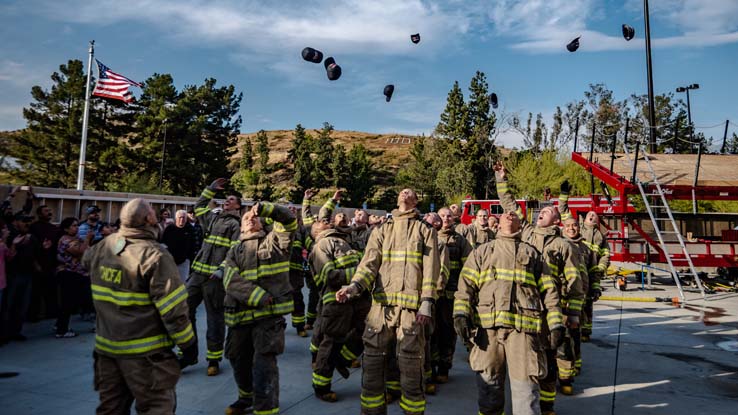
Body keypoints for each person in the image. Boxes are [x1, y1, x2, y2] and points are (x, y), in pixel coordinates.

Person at [82, 198, 196, 415]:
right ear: (148, 219)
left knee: (111, 408)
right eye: (152, 212)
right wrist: (188, 344)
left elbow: (85, 261)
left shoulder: (104, 246)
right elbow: (174, 310)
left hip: (107, 351)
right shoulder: (155, 255)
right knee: (157, 408)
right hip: (146, 357)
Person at [336, 188, 440, 415]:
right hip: (381, 308)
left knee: (411, 366)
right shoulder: (382, 230)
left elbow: (432, 271)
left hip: (411, 310)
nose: (405, 192)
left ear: (415, 201)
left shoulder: (425, 230)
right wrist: (353, 287)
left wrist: (427, 303)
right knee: (372, 364)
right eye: (402, 191)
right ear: (397, 200)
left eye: (410, 191)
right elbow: (369, 264)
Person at [494, 162, 584, 415]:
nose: (541, 213)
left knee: (551, 357)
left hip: (553, 309)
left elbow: (575, 281)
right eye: (541, 211)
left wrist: (573, 313)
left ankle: (546, 404)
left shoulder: (565, 246)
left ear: (556, 219)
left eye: (547, 211)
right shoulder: (528, 233)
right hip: (527, 307)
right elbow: (510, 207)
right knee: (532, 357)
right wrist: (502, 180)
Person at [454, 211, 563, 415]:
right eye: (504, 214)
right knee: (489, 389)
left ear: (520, 224)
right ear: (498, 224)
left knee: (526, 392)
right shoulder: (482, 252)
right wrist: (460, 314)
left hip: (523, 332)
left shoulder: (532, 254)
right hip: (488, 332)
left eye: (513, 214)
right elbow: (465, 287)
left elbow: (550, 291)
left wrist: (556, 323)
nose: (509, 215)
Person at [222, 201, 297, 415]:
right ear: (241, 228)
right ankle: (246, 397)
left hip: (268, 318)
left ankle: (266, 409)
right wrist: (258, 296)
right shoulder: (234, 250)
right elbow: (229, 278)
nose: (250, 219)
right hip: (239, 316)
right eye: (246, 219)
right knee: (237, 358)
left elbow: (289, 221)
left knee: (264, 363)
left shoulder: (275, 241)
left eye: (253, 217)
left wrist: (265, 208)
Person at [307, 190, 367, 402]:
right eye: (323, 222)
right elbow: (330, 276)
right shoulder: (322, 245)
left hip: (356, 298)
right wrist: (359, 274)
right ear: (316, 231)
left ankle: (343, 359)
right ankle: (321, 385)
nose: (327, 221)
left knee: (366, 331)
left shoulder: (343, 240)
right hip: (336, 301)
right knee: (331, 342)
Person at [186, 178, 242, 376]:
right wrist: (210, 190)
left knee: (214, 318)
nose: (227, 201)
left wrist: (222, 270)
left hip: (215, 278)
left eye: (232, 199)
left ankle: (213, 359)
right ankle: (187, 353)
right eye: (226, 198)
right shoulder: (213, 218)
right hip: (197, 273)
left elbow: (235, 252)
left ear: (238, 206)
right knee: (184, 309)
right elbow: (198, 206)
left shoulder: (237, 225)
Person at [558, 182, 608, 343]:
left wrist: (599, 273)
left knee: (587, 306)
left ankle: (585, 332)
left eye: (595, 216)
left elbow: (604, 257)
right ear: (584, 218)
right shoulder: (575, 226)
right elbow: (563, 210)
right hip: (570, 276)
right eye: (590, 215)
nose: (592, 216)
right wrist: (564, 194)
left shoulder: (601, 237)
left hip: (587, 275)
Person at [431, 207, 473, 385]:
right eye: (442, 216)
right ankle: (430, 366)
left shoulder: (461, 241)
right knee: (430, 332)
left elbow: (468, 269)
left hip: (450, 295)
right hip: (431, 294)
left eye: (449, 216)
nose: (446, 219)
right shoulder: (428, 238)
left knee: (448, 333)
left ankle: (444, 367)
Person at [560, 214, 599, 392]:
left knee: (575, 335)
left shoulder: (586, 248)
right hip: (562, 299)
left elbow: (593, 270)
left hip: (580, 299)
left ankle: (575, 365)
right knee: (563, 338)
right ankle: (564, 374)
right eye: (568, 225)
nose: (571, 228)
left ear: (579, 227)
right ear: (562, 227)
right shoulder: (558, 246)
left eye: (574, 225)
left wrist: (595, 287)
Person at [2, 213, 44, 342]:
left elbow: (36, 253)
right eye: (23, 221)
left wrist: (37, 264)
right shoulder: (10, 236)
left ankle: (16, 331)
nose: (27, 224)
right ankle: (4, 333)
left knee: (22, 305)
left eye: (28, 221)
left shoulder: (31, 237)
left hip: (27, 274)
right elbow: (7, 255)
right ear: (16, 222)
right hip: (12, 275)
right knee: (8, 305)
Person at [54, 217, 94, 338]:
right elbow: (79, 252)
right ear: (66, 228)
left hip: (79, 273)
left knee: (73, 301)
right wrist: (87, 239)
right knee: (67, 302)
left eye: (77, 225)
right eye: (74, 226)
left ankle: (60, 325)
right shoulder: (65, 240)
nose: (76, 228)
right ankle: (62, 330)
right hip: (68, 273)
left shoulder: (76, 238)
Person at [29, 204, 61, 320]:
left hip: (51, 264)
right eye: (46, 211)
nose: (49, 212)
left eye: (49, 210)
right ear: (39, 214)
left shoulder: (54, 229)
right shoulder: (34, 228)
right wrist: (35, 263)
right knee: (35, 292)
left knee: (51, 291)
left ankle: (51, 312)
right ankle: (33, 314)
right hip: (38, 264)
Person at [161, 210, 197, 283]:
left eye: (184, 218)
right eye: (180, 217)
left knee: (182, 283)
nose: (182, 220)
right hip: (170, 261)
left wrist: (189, 258)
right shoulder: (169, 229)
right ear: (176, 218)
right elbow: (163, 244)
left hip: (184, 262)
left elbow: (194, 245)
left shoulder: (190, 229)